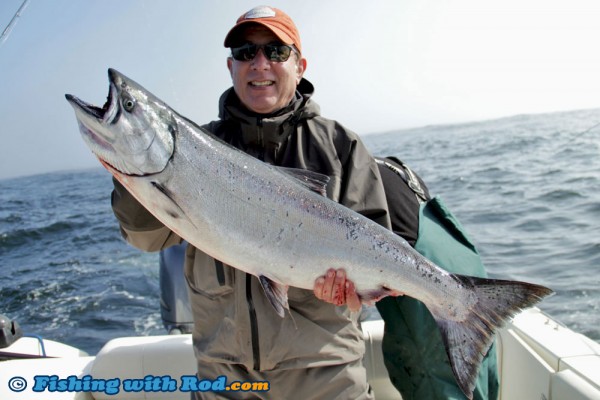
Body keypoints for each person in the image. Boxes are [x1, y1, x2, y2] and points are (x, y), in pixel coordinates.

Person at [110, 5, 391, 399]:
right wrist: (131, 169)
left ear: (300, 64)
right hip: (222, 379)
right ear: (231, 67)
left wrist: (351, 289)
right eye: (246, 52)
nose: (259, 64)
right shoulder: (193, 149)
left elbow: (376, 246)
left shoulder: (342, 147)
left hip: (326, 379)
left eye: (276, 51)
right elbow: (146, 237)